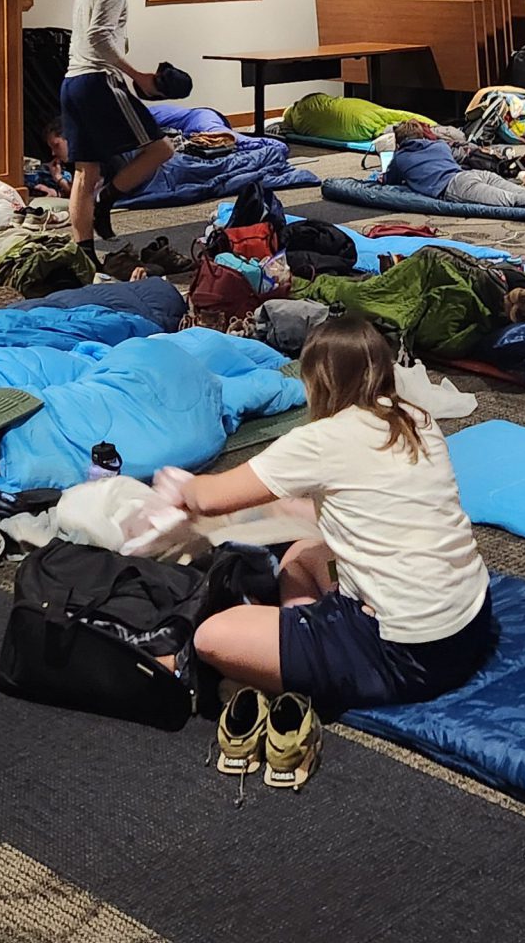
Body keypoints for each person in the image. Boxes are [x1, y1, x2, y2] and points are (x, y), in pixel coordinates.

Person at [160, 318, 496, 757]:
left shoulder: (319, 441)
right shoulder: (416, 418)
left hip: (410, 653)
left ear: (315, 379)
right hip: (472, 622)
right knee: (303, 554)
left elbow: (209, 498)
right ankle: (307, 647)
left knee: (211, 637)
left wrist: (171, 484)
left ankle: (303, 670)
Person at [61, 0, 175, 241]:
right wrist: (138, 75)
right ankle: (106, 201)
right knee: (161, 149)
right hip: (98, 82)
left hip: (73, 83)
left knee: (87, 172)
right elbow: (98, 37)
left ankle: (83, 253)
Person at [385, 120, 525, 213]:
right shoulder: (440, 145)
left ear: (399, 143)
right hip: (474, 174)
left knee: (513, 200)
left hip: (455, 186)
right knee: (524, 191)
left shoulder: (400, 157)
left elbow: (389, 179)